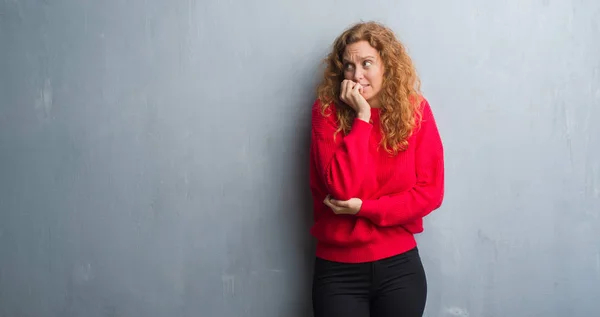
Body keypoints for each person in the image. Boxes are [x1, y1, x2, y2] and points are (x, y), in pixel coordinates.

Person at [308, 21, 445, 317]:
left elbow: (430, 194)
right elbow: (341, 188)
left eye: (366, 63)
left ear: (386, 64)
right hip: (338, 271)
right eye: (348, 66)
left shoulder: (415, 111)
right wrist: (363, 116)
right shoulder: (327, 112)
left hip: (400, 268)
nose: (357, 75)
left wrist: (363, 209)